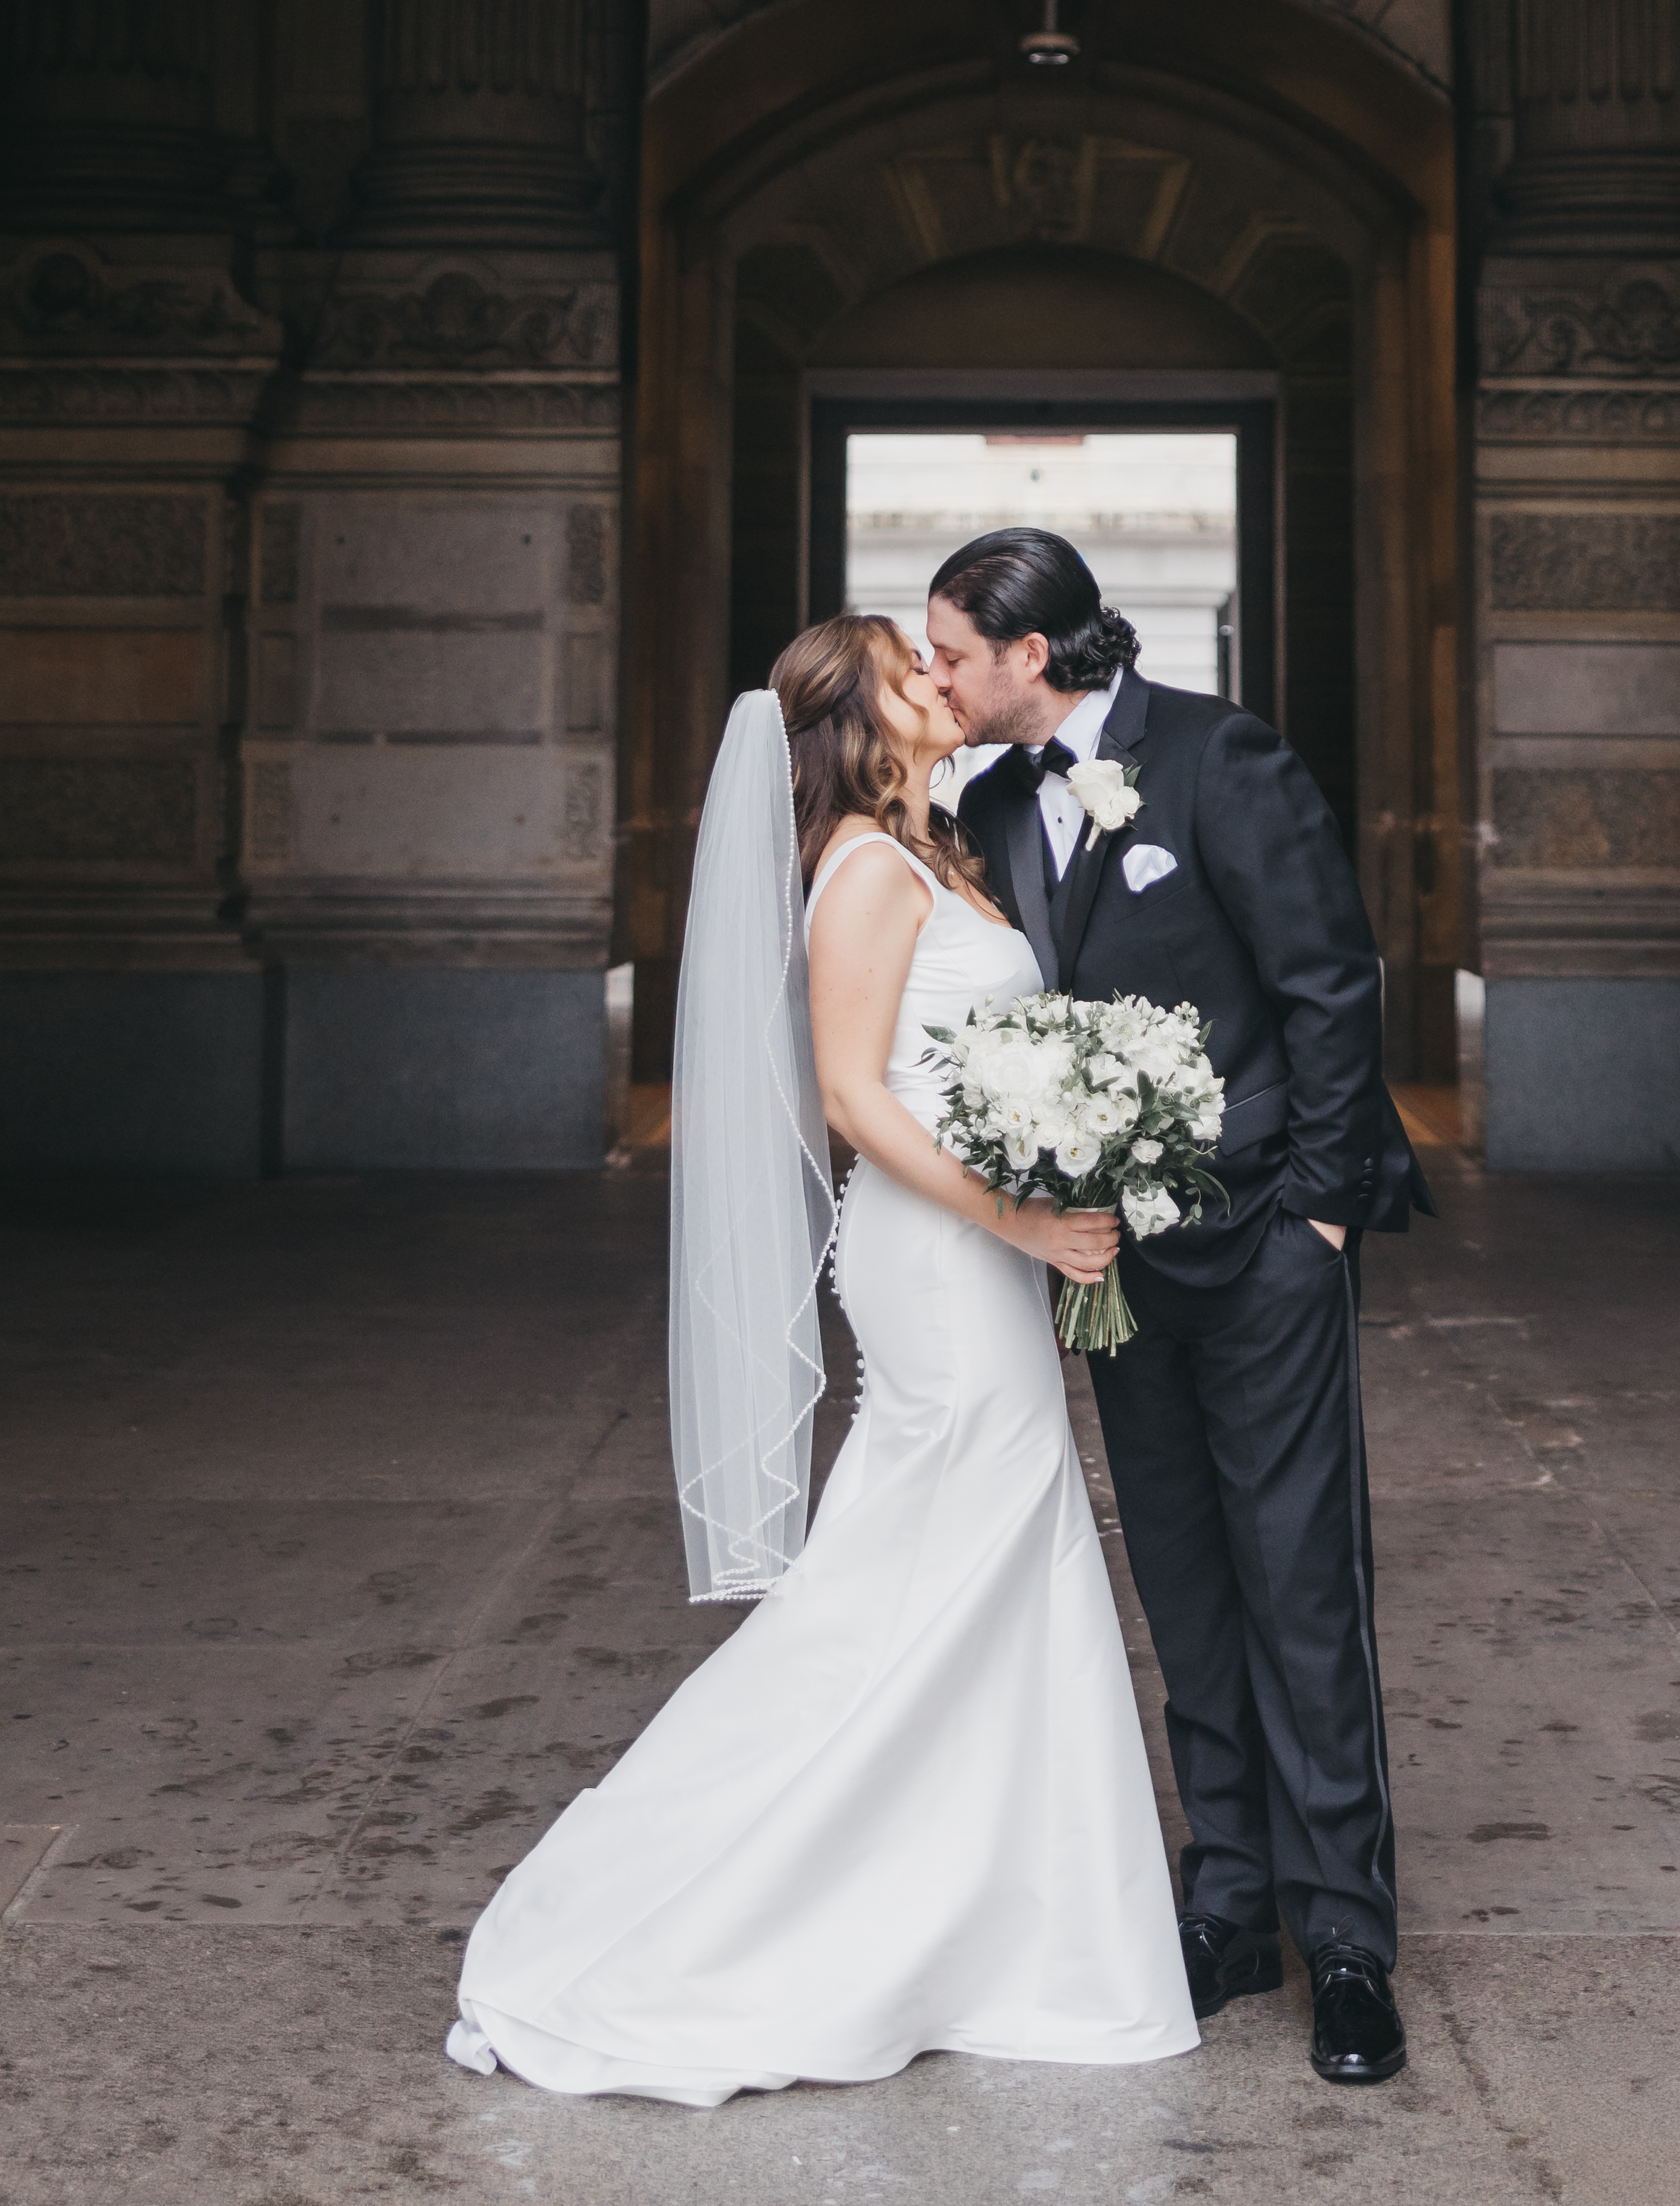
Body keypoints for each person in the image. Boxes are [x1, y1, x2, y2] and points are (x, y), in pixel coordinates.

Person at [444, 609, 1198, 2107]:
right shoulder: (859, 868)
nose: (941, 676)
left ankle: (998, 1928)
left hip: (978, 1251)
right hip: (937, 1262)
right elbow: (852, 1100)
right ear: (856, 715)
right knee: (915, 1571)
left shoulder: (937, 850)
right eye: (911, 667)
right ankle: (671, 1902)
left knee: (986, 1561)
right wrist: (1023, 1219)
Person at [934, 526, 1430, 2092]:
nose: (935, 674)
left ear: (1033, 654)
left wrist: (1327, 1205)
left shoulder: (1225, 756)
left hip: (1267, 1232)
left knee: (1298, 1576)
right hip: (1112, 1259)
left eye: (952, 650)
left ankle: (1346, 1933)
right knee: (1182, 1574)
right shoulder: (995, 800)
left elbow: (1331, 983)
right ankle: (1229, 1896)